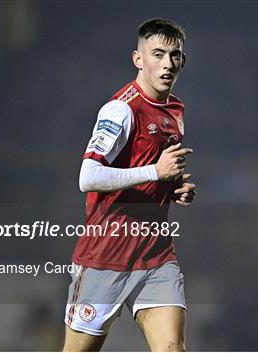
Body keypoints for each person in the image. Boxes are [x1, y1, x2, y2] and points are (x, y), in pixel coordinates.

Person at [63, 18, 196, 351]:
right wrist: (155, 173)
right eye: (158, 54)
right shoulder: (121, 109)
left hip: (155, 254)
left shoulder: (174, 110)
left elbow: (151, 168)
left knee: (172, 349)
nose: (168, 63)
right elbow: (88, 177)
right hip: (105, 255)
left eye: (175, 54)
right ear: (138, 59)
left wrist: (174, 187)